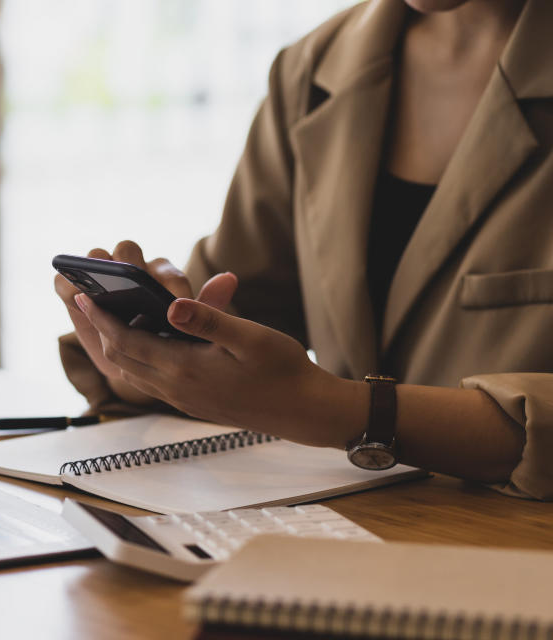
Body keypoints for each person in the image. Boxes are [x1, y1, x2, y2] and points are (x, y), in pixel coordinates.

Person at [55, 0, 553, 499]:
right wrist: (144, 360)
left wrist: (335, 409)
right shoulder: (315, 67)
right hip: (348, 537)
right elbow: (238, 306)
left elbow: (298, 398)